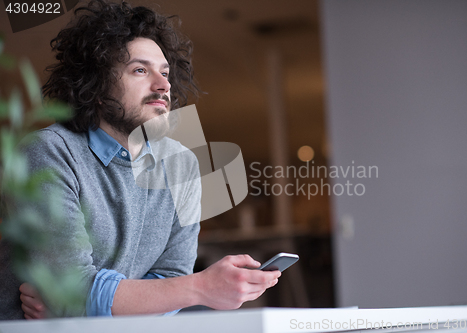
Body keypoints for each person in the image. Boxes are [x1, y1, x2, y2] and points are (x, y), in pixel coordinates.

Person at [0, 0, 280, 320]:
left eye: (164, 72)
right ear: (97, 84)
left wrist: (88, 306)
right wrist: (199, 287)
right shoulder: (48, 151)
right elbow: (70, 287)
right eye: (140, 70)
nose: (163, 85)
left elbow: (170, 277)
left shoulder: (182, 165)